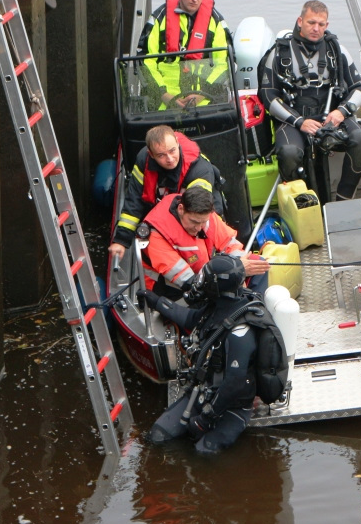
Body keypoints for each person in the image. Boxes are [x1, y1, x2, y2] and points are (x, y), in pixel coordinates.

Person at [140, 255, 260, 454]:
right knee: (157, 437)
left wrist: (205, 419)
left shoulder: (241, 331)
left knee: (204, 452)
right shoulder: (218, 306)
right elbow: (191, 318)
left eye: (205, 279)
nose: (200, 283)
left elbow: (234, 385)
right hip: (204, 391)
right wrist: (157, 302)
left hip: (233, 406)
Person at [257, 0, 361, 201]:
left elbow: (358, 88)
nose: (315, 28)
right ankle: (303, 205)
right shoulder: (279, 53)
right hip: (295, 119)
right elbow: (268, 96)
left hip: (332, 116)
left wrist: (341, 112)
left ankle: (343, 199)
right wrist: (299, 122)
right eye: (311, 22)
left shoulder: (337, 51)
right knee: (289, 153)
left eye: (321, 24)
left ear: (326, 26)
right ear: (300, 21)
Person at [108, 125, 224, 263]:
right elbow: (134, 201)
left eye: (172, 151)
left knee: (199, 258)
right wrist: (121, 240)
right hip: (173, 213)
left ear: (177, 142)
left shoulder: (200, 170)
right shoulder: (143, 161)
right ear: (151, 154)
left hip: (198, 217)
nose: (169, 159)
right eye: (161, 155)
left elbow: (197, 213)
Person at [141, 187, 269, 299]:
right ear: (181, 209)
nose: (199, 228)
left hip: (207, 274)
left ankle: (254, 307)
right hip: (173, 291)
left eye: (203, 222)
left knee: (258, 263)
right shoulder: (156, 235)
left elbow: (230, 244)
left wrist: (240, 263)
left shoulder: (202, 212)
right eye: (194, 222)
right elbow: (188, 281)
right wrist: (236, 271)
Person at [137, 0, 231, 109]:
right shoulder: (159, 19)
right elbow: (145, 60)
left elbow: (225, 63)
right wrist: (164, 95)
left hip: (205, 103)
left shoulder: (216, 22)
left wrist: (201, 95)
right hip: (163, 105)